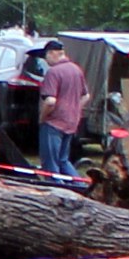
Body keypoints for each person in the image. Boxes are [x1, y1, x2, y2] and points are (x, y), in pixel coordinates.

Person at [38, 40, 89, 177]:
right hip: (71, 122)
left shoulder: (53, 72)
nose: (46, 60)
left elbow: (50, 101)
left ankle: (55, 190)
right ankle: (80, 186)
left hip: (54, 123)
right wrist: (75, 110)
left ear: (52, 53)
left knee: (50, 164)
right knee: (63, 160)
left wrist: (42, 118)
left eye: (46, 56)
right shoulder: (76, 69)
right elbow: (86, 96)